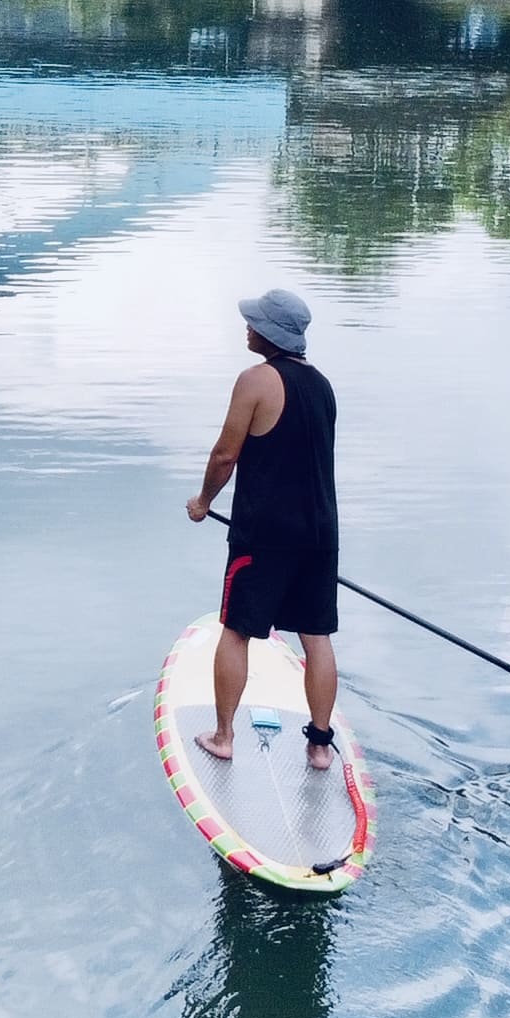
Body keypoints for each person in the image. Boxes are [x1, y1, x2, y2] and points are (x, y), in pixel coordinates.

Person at [185, 287, 340, 768]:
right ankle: (318, 745)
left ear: (270, 332)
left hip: (266, 534)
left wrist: (203, 501)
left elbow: (225, 454)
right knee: (316, 637)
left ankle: (225, 736)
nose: (247, 327)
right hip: (321, 533)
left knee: (236, 630)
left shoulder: (255, 380)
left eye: (253, 322)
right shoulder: (322, 386)